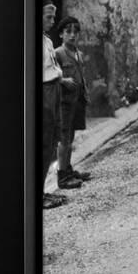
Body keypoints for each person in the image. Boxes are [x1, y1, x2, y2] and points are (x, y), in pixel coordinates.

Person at [55, 16, 91, 188]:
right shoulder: (58, 54)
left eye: (75, 32)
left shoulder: (78, 53)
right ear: (61, 34)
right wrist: (63, 81)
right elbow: (50, 75)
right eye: (68, 31)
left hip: (77, 101)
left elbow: (81, 76)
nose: (72, 35)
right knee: (64, 140)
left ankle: (69, 170)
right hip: (64, 103)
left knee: (71, 137)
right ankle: (62, 177)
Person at [42, 0, 70, 209]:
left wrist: (61, 79)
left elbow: (52, 69)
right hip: (44, 95)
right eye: (48, 17)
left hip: (54, 90)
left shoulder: (48, 41)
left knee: (52, 142)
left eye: (53, 16)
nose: (52, 21)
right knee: (42, 144)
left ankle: (42, 191)